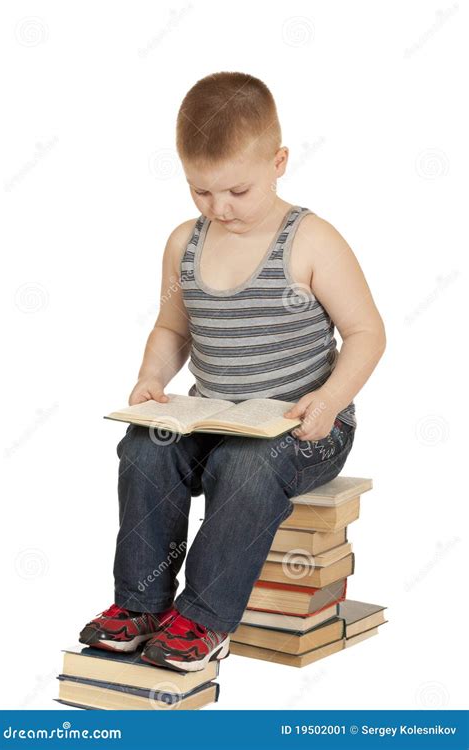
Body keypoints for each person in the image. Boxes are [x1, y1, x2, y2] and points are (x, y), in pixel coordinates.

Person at [79, 71, 386, 673]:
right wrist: (151, 380)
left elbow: (367, 334)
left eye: (237, 192)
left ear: (278, 162)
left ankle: (204, 618)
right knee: (144, 445)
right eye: (201, 192)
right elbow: (174, 329)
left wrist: (327, 402)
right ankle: (139, 603)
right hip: (215, 418)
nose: (219, 209)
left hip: (304, 431)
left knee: (244, 465)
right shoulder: (183, 245)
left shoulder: (311, 240)